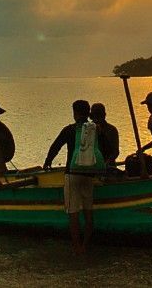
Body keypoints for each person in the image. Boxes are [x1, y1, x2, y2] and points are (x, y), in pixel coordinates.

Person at [43, 100, 106, 255]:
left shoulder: (70, 130)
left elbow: (55, 146)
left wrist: (47, 163)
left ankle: (77, 248)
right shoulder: (95, 129)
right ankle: (86, 245)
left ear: (75, 113)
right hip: (89, 175)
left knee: (73, 214)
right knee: (88, 212)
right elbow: (107, 148)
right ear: (88, 112)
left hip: (72, 175)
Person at [90, 103, 120, 167]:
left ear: (104, 115)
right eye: (94, 115)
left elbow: (115, 152)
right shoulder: (87, 129)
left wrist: (106, 163)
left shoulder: (111, 130)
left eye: (98, 115)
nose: (96, 118)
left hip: (108, 167)